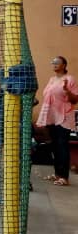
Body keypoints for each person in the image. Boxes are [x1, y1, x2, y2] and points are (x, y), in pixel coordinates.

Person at [36, 56, 78, 186]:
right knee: (54, 146)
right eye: (52, 62)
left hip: (63, 117)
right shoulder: (52, 79)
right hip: (51, 117)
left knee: (62, 146)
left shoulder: (70, 79)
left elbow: (75, 100)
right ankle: (57, 174)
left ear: (64, 65)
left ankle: (64, 177)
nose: (53, 64)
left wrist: (67, 91)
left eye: (56, 62)